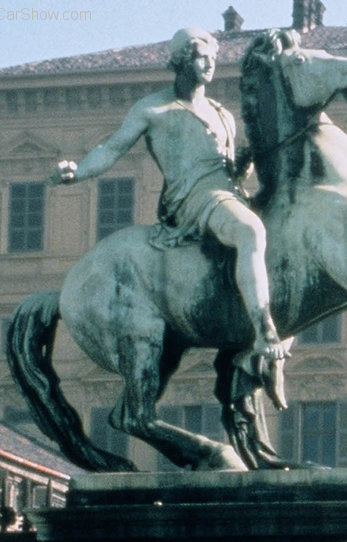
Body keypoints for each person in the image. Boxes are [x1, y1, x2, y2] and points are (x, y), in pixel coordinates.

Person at [51, 28, 288, 366]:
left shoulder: (222, 113)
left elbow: (232, 172)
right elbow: (112, 148)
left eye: (213, 59)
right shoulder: (154, 109)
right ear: (181, 61)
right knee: (250, 232)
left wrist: (245, 164)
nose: (209, 65)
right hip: (193, 199)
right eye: (200, 57)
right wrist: (79, 171)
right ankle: (265, 331)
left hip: (229, 194)